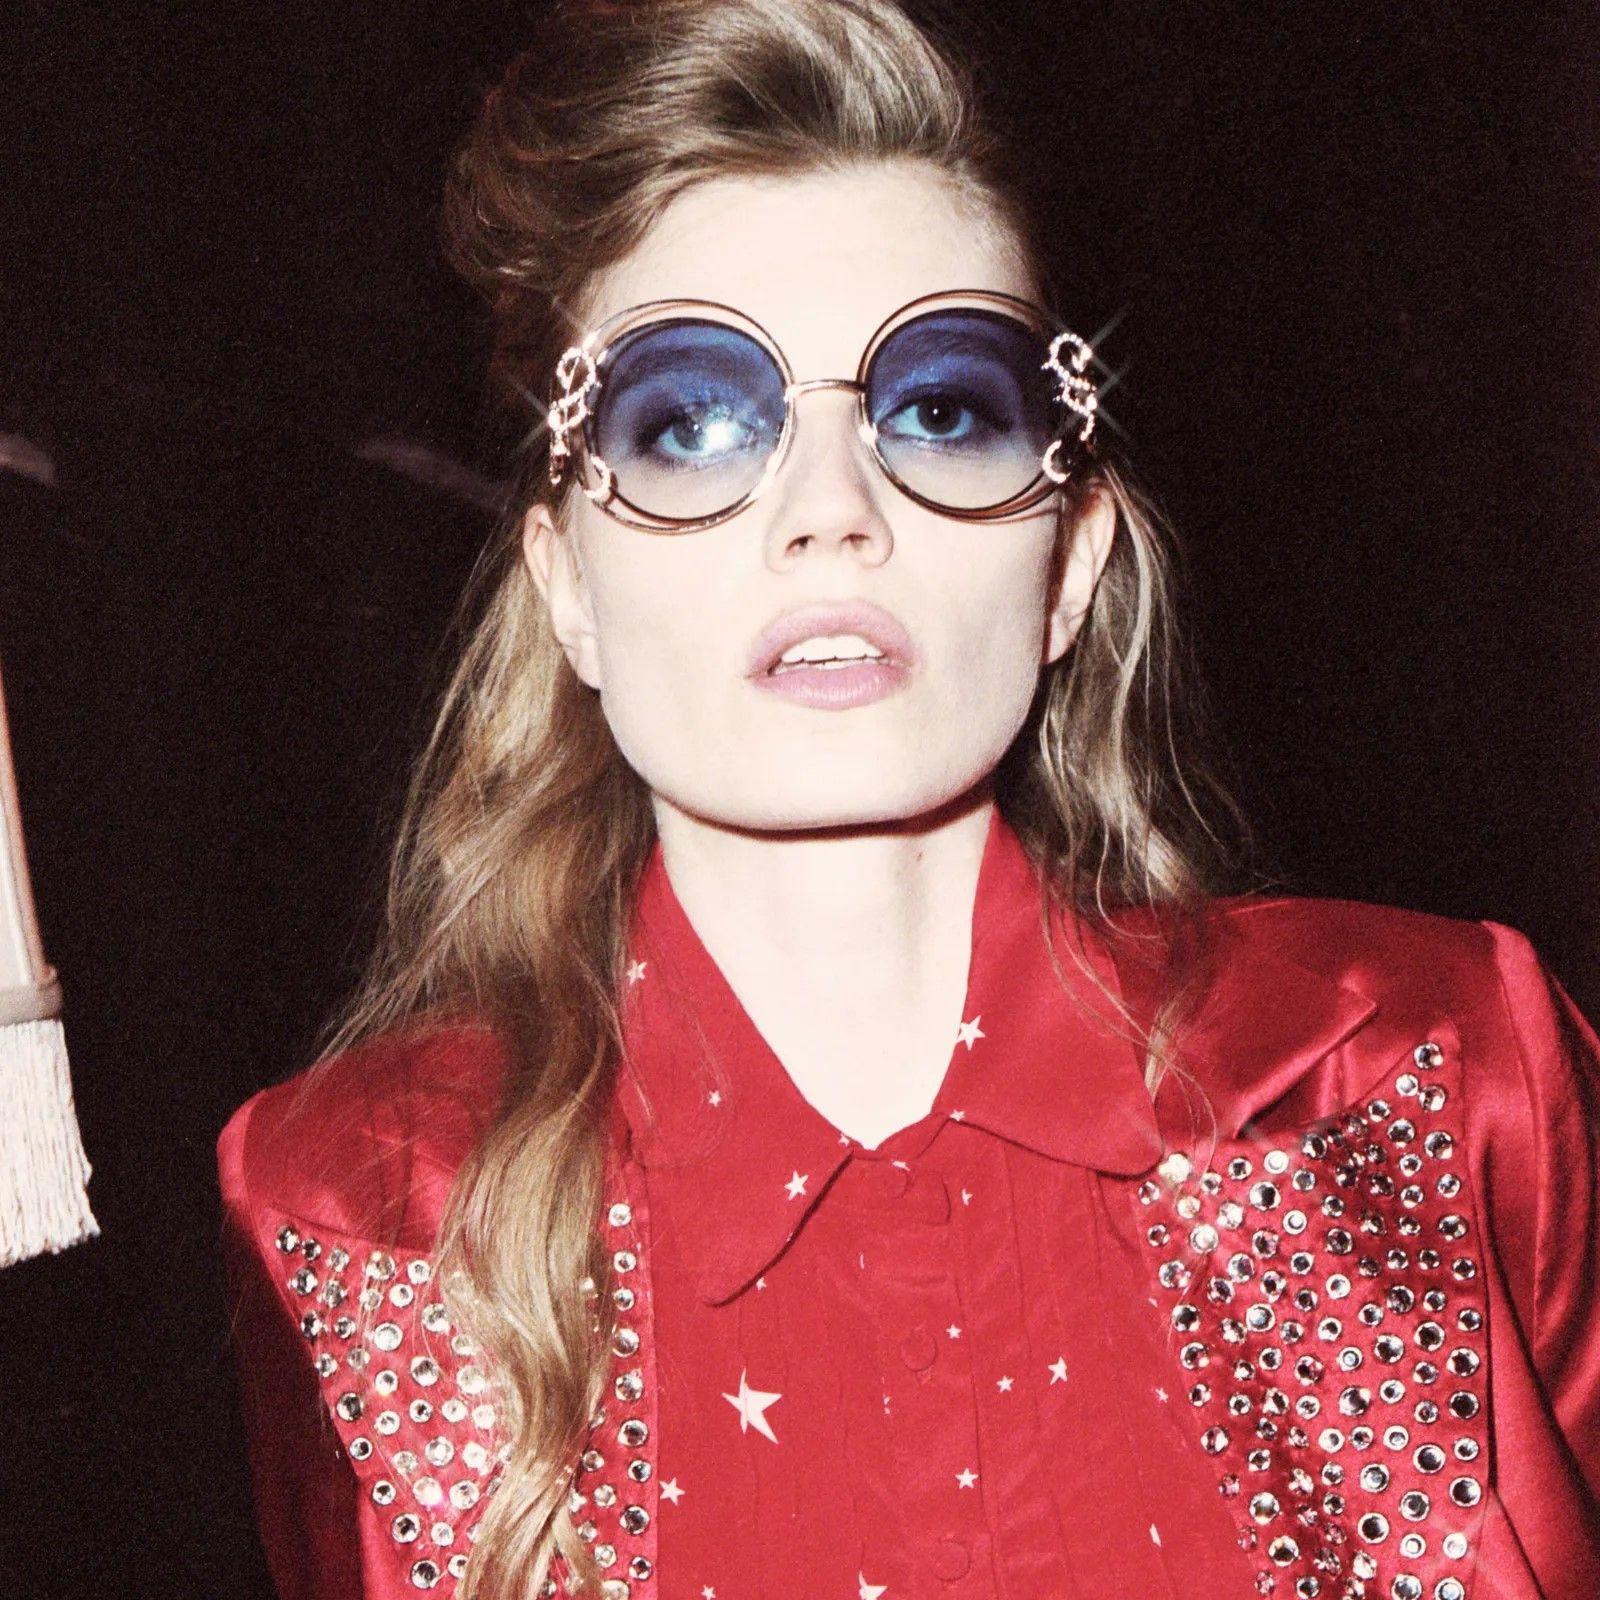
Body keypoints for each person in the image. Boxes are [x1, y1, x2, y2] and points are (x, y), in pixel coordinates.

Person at [216, 2, 1600, 1596]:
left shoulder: (1438, 1071)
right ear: (567, 585)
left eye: (940, 408)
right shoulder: (364, 1213)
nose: (831, 512)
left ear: (1069, 563)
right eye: (691, 422)